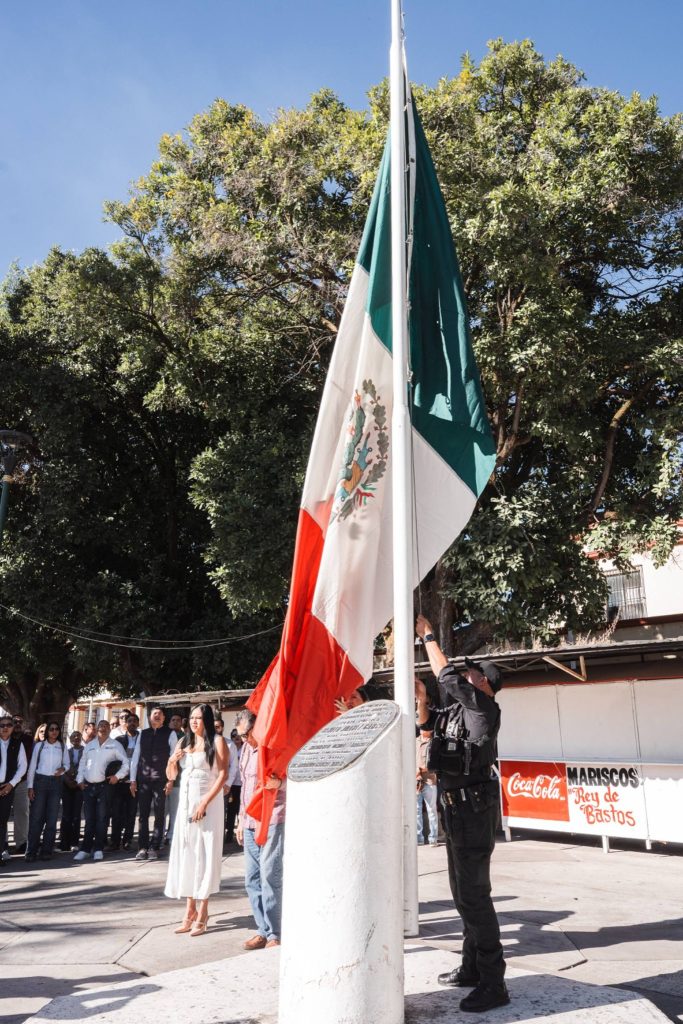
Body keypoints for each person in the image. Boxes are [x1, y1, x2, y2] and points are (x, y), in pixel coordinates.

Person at [415, 613, 508, 1014]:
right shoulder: (459, 711)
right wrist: (421, 700)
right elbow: (429, 723)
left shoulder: (484, 709)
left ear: (484, 684)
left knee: (475, 897)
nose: (466, 675)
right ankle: (472, 967)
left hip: (472, 811)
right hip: (455, 810)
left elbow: (447, 676)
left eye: (473, 674)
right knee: (462, 894)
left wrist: (427, 636)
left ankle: (494, 982)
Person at [164, 703, 228, 936]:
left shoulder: (217, 742)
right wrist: (172, 760)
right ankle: (189, 909)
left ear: (207, 720)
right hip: (186, 803)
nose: (194, 721)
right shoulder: (183, 742)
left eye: (199, 718)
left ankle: (203, 911)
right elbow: (171, 775)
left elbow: (223, 774)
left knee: (205, 853)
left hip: (207, 803)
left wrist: (204, 803)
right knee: (187, 852)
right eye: (191, 717)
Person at [235, 708, 285, 950]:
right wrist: (240, 818)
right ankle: (262, 930)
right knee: (252, 878)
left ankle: (276, 933)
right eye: (241, 736)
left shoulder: (274, 746)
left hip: (273, 816)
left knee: (269, 874)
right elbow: (245, 785)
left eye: (247, 734)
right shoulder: (246, 749)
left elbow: (294, 774)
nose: (245, 739)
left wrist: (280, 783)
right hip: (249, 820)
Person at [74, 720, 129, 862]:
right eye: (100, 726)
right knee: (89, 819)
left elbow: (126, 763)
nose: (103, 728)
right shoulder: (90, 745)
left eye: (105, 726)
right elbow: (82, 763)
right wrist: (80, 780)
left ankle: (98, 848)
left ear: (109, 729)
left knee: (102, 818)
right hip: (88, 787)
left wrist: (117, 776)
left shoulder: (115, 745)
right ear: (97, 728)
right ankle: (85, 849)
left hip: (105, 787)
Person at [129, 705, 176, 861]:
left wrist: (171, 780)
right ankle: (142, 847)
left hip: (160, 780)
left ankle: (154, 847)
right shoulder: (143, 733)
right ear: (149, 717)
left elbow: (173, 759)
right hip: (143, 780)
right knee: (142, 815)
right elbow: (136, 757)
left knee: (159, 814)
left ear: (164, 718)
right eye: (154, 713)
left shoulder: (170, 733)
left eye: (160, 714)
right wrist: (133, 780)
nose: (157, 715)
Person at [26, 721, 70, 862]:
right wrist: (30, 787)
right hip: (40, 782)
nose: (54, 731)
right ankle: (31, 851)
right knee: (36, 818)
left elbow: (67, 764)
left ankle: (46, 850)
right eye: (51, 729)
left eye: (56, 729)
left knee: (51, 819)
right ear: (47, 732)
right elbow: (32, 767)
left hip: (56, 783)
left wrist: (63, 769)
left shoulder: (62, 746)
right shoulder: (39, 746)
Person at [0, 715, 27, 864]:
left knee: (2, 821)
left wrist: (11, 784)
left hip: (7, 787)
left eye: (8, 725)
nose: (5, 728)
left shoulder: (17, 744)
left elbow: (22, 766)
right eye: (2, 725)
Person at [111, 714, 140, 850]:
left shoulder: (142, 739)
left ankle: (127, 840)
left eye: (134, 721)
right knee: (116, 812)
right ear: (125, 724)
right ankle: (115, 841)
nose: (132, 723)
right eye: (129, 721)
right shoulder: (118, 740)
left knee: (131, 812)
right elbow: (113, 760)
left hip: (135, 781)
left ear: (138, 723)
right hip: (120, 781)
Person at [60, 731, 85, 851]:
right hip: (66, 785)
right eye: (74, 736)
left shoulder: (86, 751)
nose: (76, 738)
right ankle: (64, 843)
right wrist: (67, 781)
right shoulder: (66, 752)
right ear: (70, 739)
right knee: (66, 814)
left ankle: (74, 842)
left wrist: (79, 781)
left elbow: (86, 767)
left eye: (78, 736)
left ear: (81, 738)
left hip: (79, 786)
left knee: (76, 814)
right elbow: (62, 768)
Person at [11, 716, 32, 853]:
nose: (17, 724)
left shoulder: (28, 740)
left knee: (23, 812)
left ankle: (21, 842)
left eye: (20, 722)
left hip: (22, 782)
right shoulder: (4, 738)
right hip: (5, 782)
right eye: (15, 722)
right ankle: (3, 843)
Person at [416, 726, 439, 847]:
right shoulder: (413, 742)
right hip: (416, 781)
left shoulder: (434, 743)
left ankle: (433, 838)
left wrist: (420, 770)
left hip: (430, 781)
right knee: (416, 811)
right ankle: (418, 838)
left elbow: (436, 764)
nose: (422, 729)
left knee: (432, 810)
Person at [164, 714, 185, 845]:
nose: (176, 722)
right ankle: (159, 835)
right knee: (162, 810)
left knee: (174, 810)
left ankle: (171, 835)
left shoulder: (185, 738)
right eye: (173, 720)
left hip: (178, 779)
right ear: (169, 723)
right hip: (163, 778)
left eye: (178, 720)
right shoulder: (164, 736)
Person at [225, 728, 243, 844]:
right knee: (231, 810)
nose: (237, 737)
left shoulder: (246, 749)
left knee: (241, 810)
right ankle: (229, 833)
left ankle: (241, 835)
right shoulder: (228, 749)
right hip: (231, 784)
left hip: (242, 784)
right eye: (234, 735)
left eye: (239, 735)